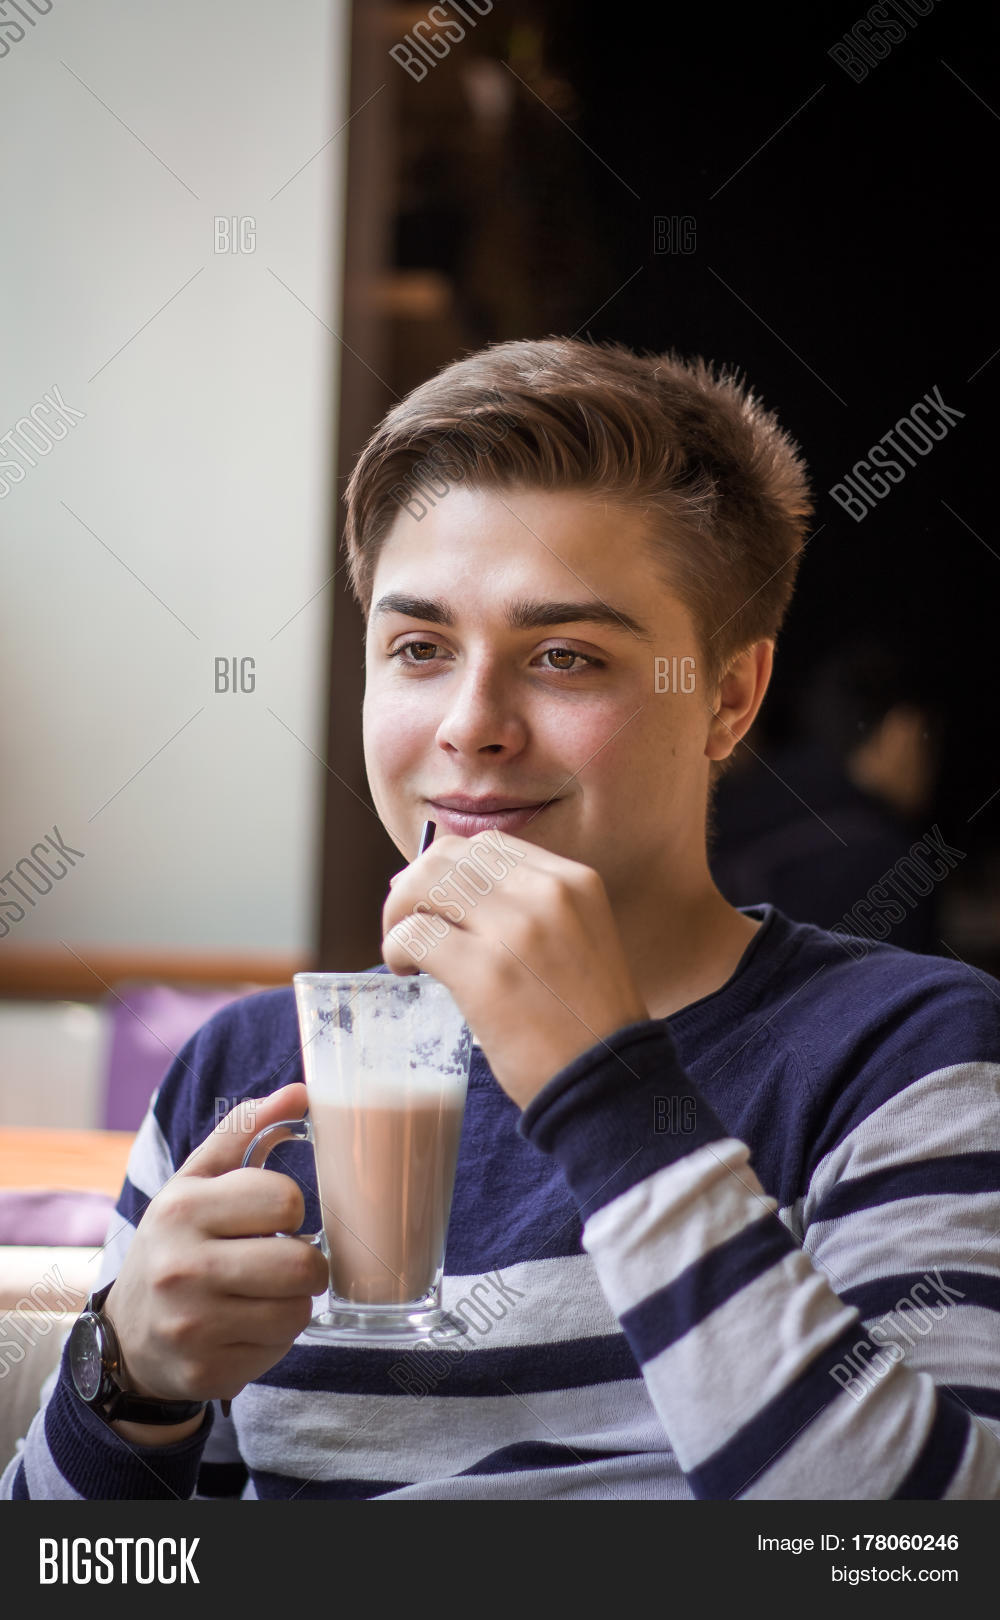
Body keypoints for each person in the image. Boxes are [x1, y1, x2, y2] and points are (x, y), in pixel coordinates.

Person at [5, 338, 998, 1500]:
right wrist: (128, 1385)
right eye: (419, 648)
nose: (470, 725)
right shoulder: (247, 1071)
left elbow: (913, 1556)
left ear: (728, 697)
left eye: (566, 657)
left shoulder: (905, 1055)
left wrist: (603, 1081)